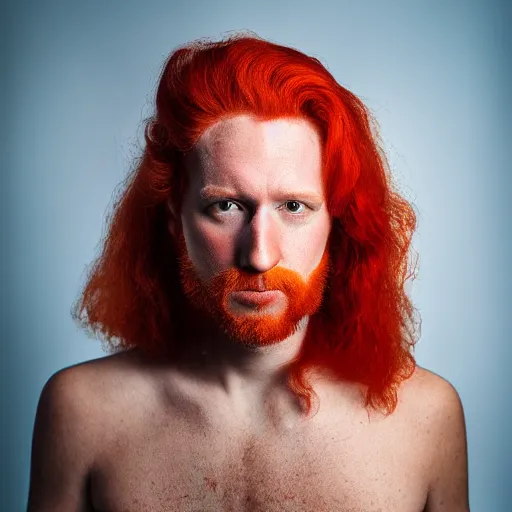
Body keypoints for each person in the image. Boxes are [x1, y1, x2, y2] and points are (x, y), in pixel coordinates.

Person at [27, 31, 469, 511]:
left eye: (294, 206)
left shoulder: (426, 418)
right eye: (226, 206)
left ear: (338, 223)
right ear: (175, 220)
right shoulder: (81, 412)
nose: (259, 256)